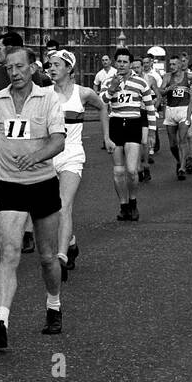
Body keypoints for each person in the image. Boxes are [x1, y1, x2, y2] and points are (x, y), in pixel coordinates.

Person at [0, 46, 67, 349]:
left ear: (33, 68)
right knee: (10, 254)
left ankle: (54, 305)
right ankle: (1, 322)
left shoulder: (49, 98)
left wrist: (37, 157)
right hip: (10, 185)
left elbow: (58, 140)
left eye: (19, 67)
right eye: (9, 67)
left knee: (46, 258)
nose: (14, 72)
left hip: (42, 183)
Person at [47, 49, 109, 280]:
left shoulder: (83, 93)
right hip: (48, 155)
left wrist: (106, 136)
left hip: (72, 154)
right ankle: (71, 243)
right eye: (49, 64)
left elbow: (103, 107)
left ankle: (61, 257)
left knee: (64, 206)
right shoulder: (43, 94)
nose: (51, 68)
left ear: (69, 68)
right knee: (52, 211)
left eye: (56, 64)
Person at [0, 34, 35, 257]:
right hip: (4, 143)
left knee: (28, 190)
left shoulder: (36, 74)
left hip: (30, 144)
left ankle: (28, 233)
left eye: (1, 48)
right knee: (0, 190)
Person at [102, 48, 155, 221]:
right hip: (116, 124)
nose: (122, 65)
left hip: (133, 123)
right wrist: (112, 89)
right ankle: (123, 206)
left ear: (130, 63)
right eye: (119, 61)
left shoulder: (140, 82)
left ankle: (133, 202)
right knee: (118, 172)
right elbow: (101, 102)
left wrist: (152, 131)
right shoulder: (109, 81)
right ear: (115, 62)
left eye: (125, 62)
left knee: (132, 171)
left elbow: (150, 108)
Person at [159, 52, 192, 179]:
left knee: (182, 140)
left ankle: (182, 168)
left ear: (180, 65)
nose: (171, 66)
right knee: (173, 144)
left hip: (184, 110)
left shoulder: (189, 77)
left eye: (174, 64)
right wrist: (169, 89)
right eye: (170, 64)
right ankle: (179, 160)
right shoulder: (167, 77)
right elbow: (160, 91)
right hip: (171, 110)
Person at [144, 47, 165, 160]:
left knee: (152, 125)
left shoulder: (155, 75)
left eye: (147, 62)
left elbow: (160, 90)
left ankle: (153, 146)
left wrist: (156, 105)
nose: (146, 65)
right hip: (143, 99)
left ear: (151, 63)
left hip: (152, 98)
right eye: (144, 63)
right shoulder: (139, 74)